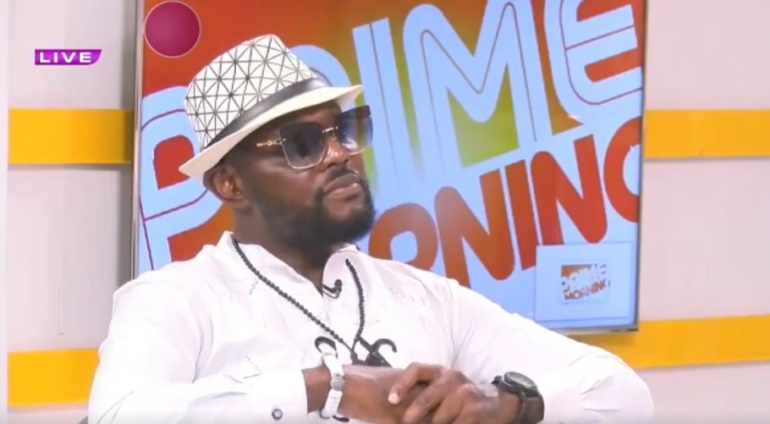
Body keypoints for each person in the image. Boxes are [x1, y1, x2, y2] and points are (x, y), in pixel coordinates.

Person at [88, 34, 653, 424]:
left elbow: (624, 396)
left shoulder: (423, 296)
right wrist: (329, 386)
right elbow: (118, 414)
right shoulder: (177, 299)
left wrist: (505, 405)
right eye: (302, 144)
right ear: (230, 184)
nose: (340, 153)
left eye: (345, 130)